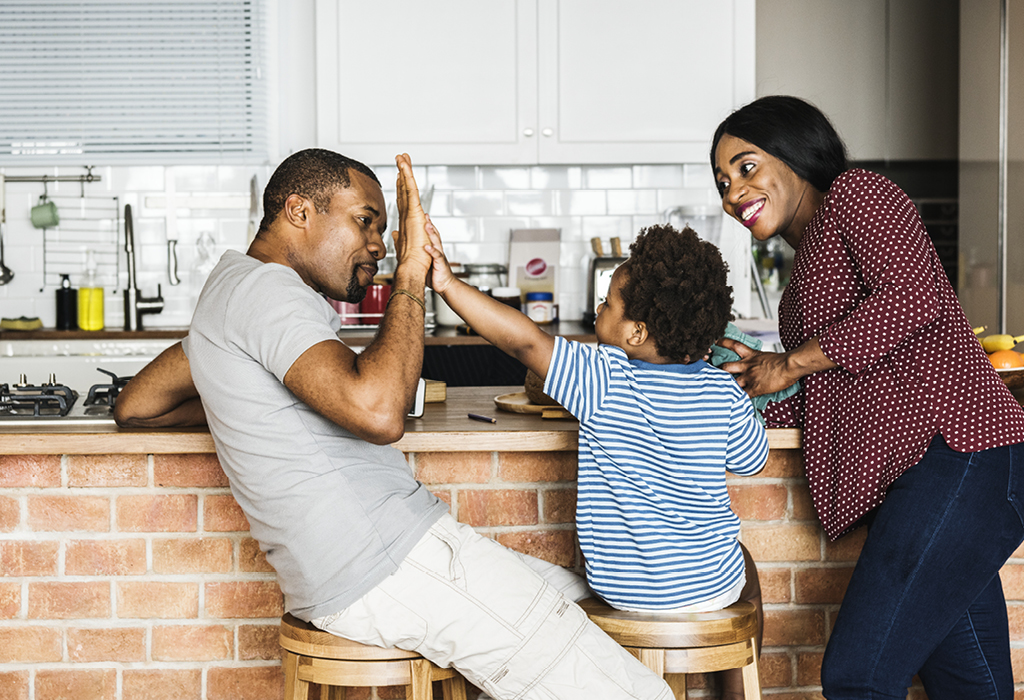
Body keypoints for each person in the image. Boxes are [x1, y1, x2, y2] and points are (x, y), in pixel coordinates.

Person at [113, 148, 673, 700]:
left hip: (372, 565)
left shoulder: (233, 290)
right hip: (387, 564)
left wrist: (248, 398)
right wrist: (411, 271)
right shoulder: (266, 292)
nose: (378, 245)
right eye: (364, 222)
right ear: (299, 211)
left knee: (584, 600)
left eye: (384, 230)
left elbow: (137, 405)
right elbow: (380, 414)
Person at [711, 95, 1024, 700]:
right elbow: (831, 393)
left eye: (746, 167)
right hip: (938, 477)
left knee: (858, 676)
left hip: (959, 454)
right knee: (970, 688)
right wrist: (747, 380)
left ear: (794, 150)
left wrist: (790, 361)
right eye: (723, 182)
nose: (732, 194)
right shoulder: (801, 278)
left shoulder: (858, 193)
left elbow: (911, 298)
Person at [425, 221, 769, 699]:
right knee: (745, 570)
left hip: (624, 593)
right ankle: (733, 689)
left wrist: (446, 284)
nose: (597, 309)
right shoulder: (723, 391)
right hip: (708, 592)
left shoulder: (601, 376)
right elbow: (752, 459)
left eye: (607, 303)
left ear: (636, 332)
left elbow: (524, 341)